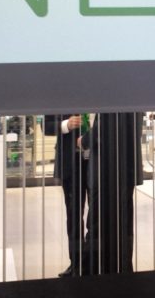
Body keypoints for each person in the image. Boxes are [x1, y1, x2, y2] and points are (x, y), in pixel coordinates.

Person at [79, 111, 142, 274]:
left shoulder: (113, 101)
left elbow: (102, 128)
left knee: (98, 221)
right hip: (124, 168)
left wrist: (84, 140)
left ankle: (94, 268)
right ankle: (122, 267)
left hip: (108, 170)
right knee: (123, 222)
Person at [44, 114, 89, 277]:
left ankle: (92, 261)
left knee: (98, 216)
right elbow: (46, 126)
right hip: (70, 164)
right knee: (74, 216)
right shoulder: (57, 100)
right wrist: (66, 125)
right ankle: (77, 264)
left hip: (97, 162)